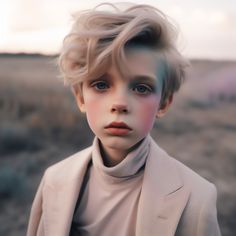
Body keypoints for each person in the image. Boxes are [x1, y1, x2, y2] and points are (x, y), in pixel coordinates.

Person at [27, 2, 221, 236]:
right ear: (80, 98)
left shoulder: (196, 198)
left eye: (141, 88)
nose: (119, 103)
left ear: (164, 102)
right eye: (101, 84)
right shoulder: (54, 180)